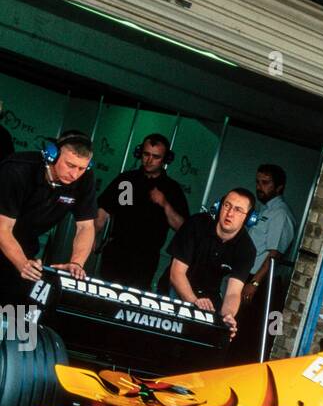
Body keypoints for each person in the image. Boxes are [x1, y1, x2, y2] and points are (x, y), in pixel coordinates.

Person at [0, 131, 96, 306]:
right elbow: (2, 228)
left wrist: (77, 263)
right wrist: (22, 263)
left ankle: (14, 331)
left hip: (24, 245)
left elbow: (86, 227)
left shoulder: (84, 178)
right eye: (70, 165)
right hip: (5, 234)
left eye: (81, 168)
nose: (75, 174)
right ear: (52, 155)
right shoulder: (17, 169)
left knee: (17, 311)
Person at [95, 133, 189, 289]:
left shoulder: (172, 189)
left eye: (156, 156)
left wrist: (165, 203)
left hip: (145, 259)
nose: (149, 160)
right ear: (140, 153)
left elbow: (182, 227)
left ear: (165, 159)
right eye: (146, 154)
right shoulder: (126, 179)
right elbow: (103, 210)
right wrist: (94, 235)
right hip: (116, 252)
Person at [167, 190, 257, 339]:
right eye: (227, 205)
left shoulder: (247, 249)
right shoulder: (196, 224)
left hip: (208, 298)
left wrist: (227, 316)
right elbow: (176, 274)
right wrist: (194, 301)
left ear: (249, 218)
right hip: (176, 289)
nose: (230, 213)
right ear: (219, 206)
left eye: (238, 210)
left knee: (216, 335)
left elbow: (233, 293)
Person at [232, 164, 297, 362]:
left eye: (266, 183)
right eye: (258, 182)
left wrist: (255, 283)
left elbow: (274, 255)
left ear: (279, 187)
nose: (260, 187)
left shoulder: (280, 214)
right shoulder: (264, 210)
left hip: (262, 282)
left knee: (249, 334)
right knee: (237, 328)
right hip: (250, 277)